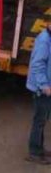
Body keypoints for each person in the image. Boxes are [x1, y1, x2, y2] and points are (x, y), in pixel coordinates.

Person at [27, 26, 51, 164]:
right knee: (39, 121)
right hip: (41, 89)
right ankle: (34, 152)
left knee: (42, 120)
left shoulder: (48, 38)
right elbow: (37, 65)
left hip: (44, 87)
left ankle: (39, 149)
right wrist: (45, 86)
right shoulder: (44, 40)